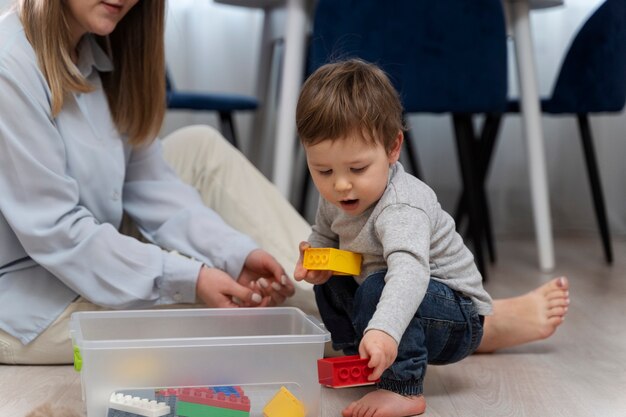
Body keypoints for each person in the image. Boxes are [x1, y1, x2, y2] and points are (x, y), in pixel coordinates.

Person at [0, 0, 568, 372]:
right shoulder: (10, 64)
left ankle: (379, 293)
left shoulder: (105, 51)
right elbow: (58, 235)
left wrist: (237, 252)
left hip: (89, 240)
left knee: (196, 146)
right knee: (244, 327)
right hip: (28, 294)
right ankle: (424, 323)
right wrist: (190, 276)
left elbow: (150, 184)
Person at [293, 59, 570, 417]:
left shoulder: (402, 205)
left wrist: (384, 329)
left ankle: (403, 387)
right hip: (391, 298)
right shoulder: (336, 195)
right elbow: (323, 236)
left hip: (454, 313)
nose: (340, 184)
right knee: (334, 283)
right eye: (323, 170)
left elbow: (409, 275)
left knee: (379, 285)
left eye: (357, 169)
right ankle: (359, 358)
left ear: (393, 149)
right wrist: (314, 258)